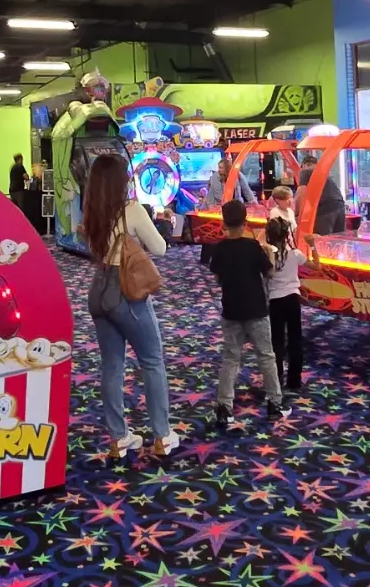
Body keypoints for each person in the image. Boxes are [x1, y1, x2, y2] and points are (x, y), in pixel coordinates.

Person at [80, 152, 178, 458]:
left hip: (98, 290)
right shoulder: (131, 210)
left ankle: (118, 437)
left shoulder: (91, 213)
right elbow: (159, 249)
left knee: (111, 365)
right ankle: (162, 435)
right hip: (126, 291)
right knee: (152, 361)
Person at [201, 198, 284, 422]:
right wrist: (269, 253)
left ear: (224, 222)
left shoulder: (219, 249)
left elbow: (217, 277)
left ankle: (224, 407)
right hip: (256, 307)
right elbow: (269, 273)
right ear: (246, 221)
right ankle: (274, 403)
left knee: (230, 358)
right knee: (266, 356)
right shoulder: (252, 246)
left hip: (231, 308)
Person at [264, 213, 305, 392]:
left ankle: (277, 378)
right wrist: (312, 245)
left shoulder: (267, 256)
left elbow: (267, 275)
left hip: (275, 301)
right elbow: (315, 265)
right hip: (293, 298)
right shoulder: (295, 254)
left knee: (276, 341)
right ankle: (295, 380)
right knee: (296, 339)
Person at [298, 152, 349, 235]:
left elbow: (301, 192)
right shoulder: (323, 173)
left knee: (322, 239)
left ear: (305, 164)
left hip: (325, 208)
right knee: (338, 238)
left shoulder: (306, 171)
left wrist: (300, 213)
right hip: (340, 205)